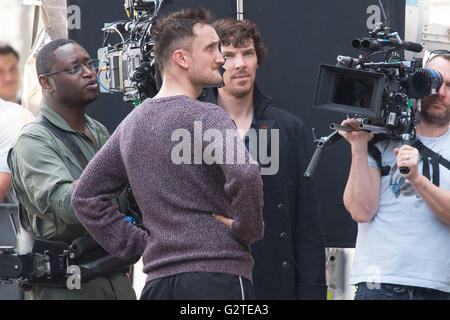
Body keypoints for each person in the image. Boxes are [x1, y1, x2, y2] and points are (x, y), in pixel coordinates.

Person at [71, 8, 264, 300]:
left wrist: (141, 245)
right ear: (182, 58)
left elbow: (84, 197)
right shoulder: (207, 115)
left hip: (157, 286)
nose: (221, 58)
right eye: (211, 48)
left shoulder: (131, 125)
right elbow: (246, 173)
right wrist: (247, 229)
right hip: (216, 278)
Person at [199, 18, 326, 299]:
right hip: (210, 284)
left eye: (247, 53)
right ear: (214, 61)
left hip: (275, 282)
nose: (240, 64)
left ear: (258, 59)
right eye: (228, 55)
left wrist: (313, 290)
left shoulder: (289, 129)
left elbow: (307, 224)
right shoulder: (192, 127)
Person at [7, 38, 136, 300]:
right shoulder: (33, 140)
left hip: (113, 277)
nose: (89, 72)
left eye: (89, 63)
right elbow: (70, 205)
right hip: (68, 288)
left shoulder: (97, 130)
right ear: (45, 83)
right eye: (74, 67)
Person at [340, 53, 450, 300]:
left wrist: (417, 180)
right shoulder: (381, 138)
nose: (441, 92)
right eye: (434, 81)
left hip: (439, 287)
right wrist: (358, 145)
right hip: (379, 284)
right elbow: (360, 211)